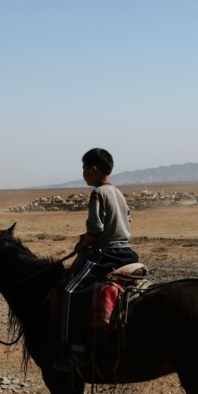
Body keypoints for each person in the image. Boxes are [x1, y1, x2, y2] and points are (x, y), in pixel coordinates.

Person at [55, 148, 138, 372]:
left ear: (93, 168)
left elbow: (96, 227)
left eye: (84, 168)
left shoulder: (98, 193)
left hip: (106, 253)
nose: (83, 173)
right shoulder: (119, 193)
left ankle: (75, 349)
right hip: (127, 252)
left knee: (70, 290)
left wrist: (84, 243)